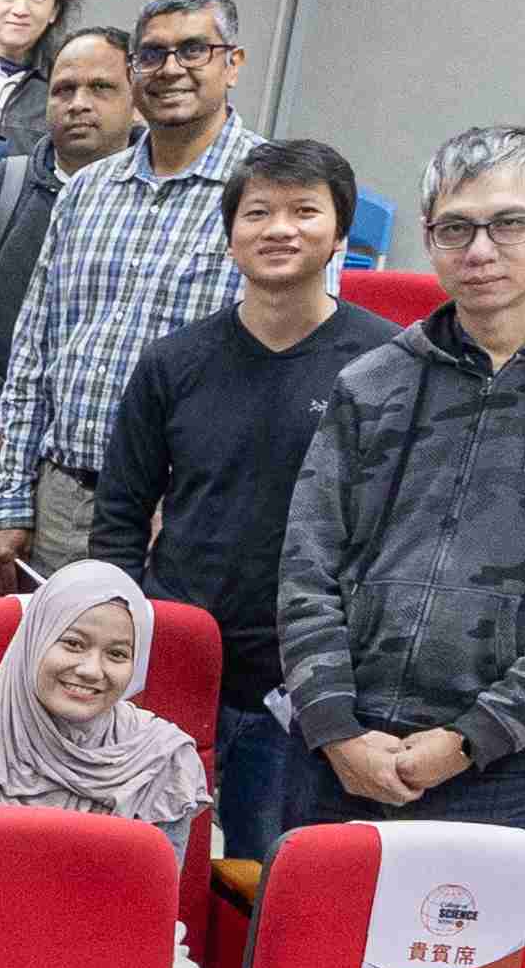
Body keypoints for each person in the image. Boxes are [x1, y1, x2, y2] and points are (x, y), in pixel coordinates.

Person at [277, 123, 525, 838]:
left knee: (459, 954)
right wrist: (333, 725)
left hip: (493, 763)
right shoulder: (373, 381)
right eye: (454, 229)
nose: (480, 251)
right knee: (308, 947)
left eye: (508, 224)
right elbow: (306, 563)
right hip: (337, 752)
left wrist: (468, 739)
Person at [89, 135, 402, 853]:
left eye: (303, 211)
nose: (278, 229)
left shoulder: (387, 365)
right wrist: (135, 632)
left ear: (339, 236)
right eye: (257, 212)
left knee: (271, 870)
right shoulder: (174, 360)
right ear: (230, 237)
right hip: (177, 656)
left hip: (306, 676)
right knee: (151, 859)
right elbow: (120, 512)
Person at [0, 0, 255, 580]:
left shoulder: (268, 196)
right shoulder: (86, 190)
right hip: (62, 501)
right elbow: (35, 352)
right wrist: (9, 500)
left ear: (232, 64)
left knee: (161, 673)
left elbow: (277, 377)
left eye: (194, 50)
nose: (171, 69)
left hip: (184, 511)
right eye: (152, 54)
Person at [0, 26, 130, 549]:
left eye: (100, 89)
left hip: (102, 461)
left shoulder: (151, 212)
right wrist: (8, 420)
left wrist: (41, 429)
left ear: (137, 99)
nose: (79, 104)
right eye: (64, 90)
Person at [0, 558, 211, 846]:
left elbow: (158, 887)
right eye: (73, 644)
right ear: (34, 641)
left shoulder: (161, 759)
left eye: (117, 654)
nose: (92, 670)